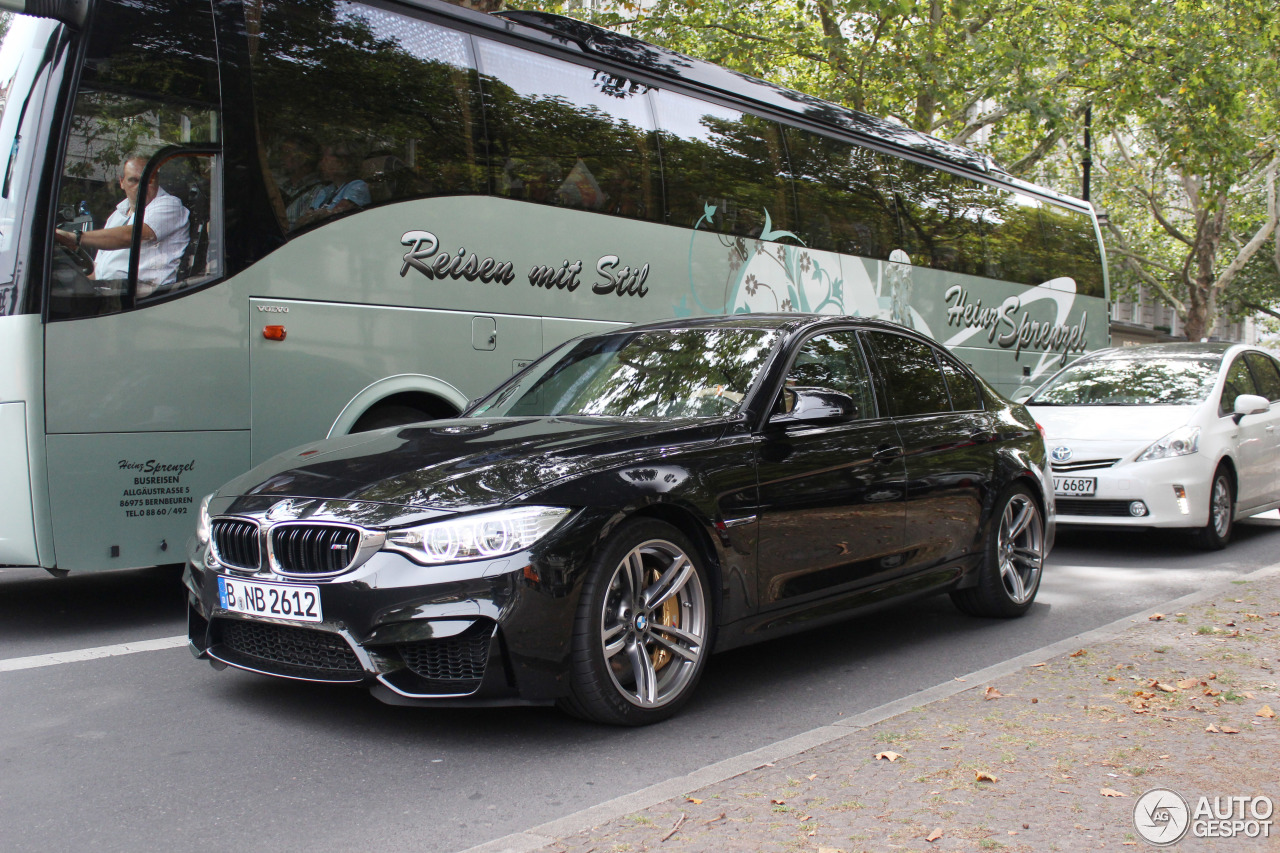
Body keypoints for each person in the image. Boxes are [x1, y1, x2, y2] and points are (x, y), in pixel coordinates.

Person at [55, 156, 189, 297]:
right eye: (133, 180)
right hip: (109, 291)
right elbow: (98, 269)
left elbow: (130, 236)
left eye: (148, 180)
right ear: (121, 182)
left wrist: (75, 237)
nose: (141, 186)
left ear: (157, 181)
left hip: (145, 297)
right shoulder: (117, 215)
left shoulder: (169, 205)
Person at [294, 142, 371, 227]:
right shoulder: (326, 190)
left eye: (325, 159)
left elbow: (337, 214)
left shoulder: (357, 186)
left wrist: (315, 215)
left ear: (342, 163)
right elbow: (301, 221)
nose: (321, 164)